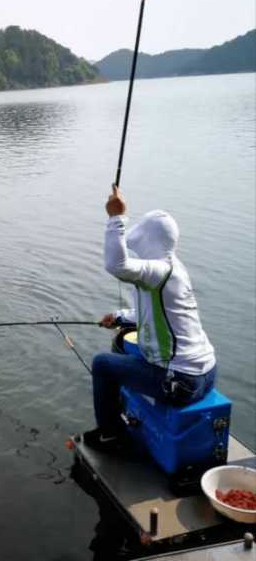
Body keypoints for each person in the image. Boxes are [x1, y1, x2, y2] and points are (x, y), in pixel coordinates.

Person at [84, 185, 216, 450]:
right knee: (122, 342)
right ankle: (124, 413)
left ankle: (110, 435)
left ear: (148, 240)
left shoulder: (158, 270)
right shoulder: (173, 268)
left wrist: (116, 219)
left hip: (182, 383)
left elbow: (116, 266)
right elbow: (157, 315)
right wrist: (120, 317)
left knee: (102, 364)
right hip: (206, 374)